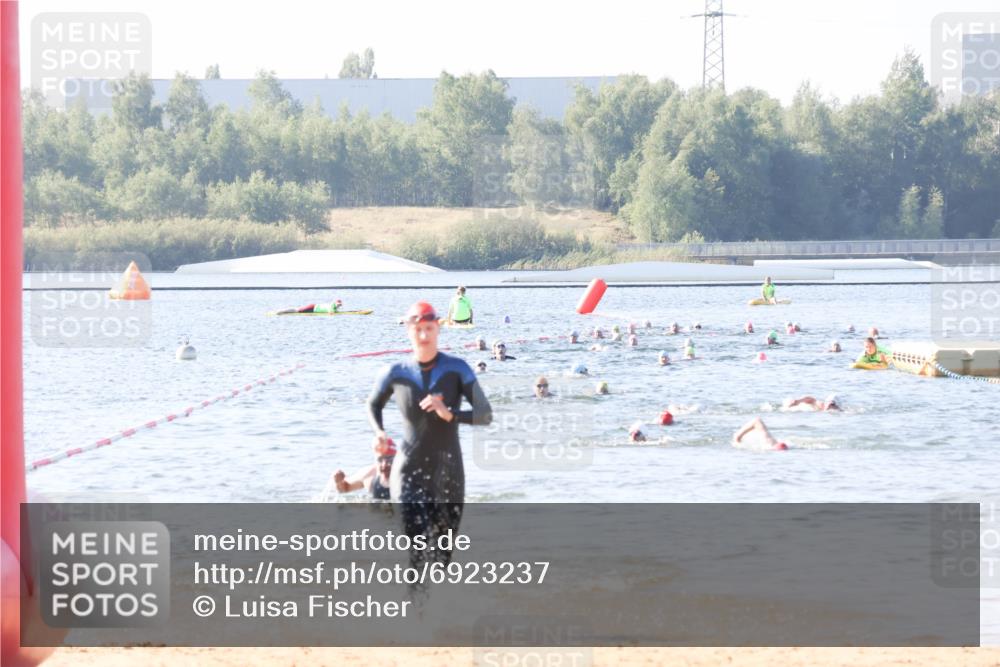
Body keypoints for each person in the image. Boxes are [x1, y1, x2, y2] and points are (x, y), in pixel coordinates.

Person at [367, 301, 493, 586]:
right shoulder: (394, 372)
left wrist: (450, 413)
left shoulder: (457, 369)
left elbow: (485, 414)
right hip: (408, 469)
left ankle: (436, 617)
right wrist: (379, 432)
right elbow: (373, 405)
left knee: (443, 557)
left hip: (448, 472)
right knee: (417, 542)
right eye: (418, 329)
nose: (424, 336)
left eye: (429, 329)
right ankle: (414, 618)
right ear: (409, 331)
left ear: (438, 329)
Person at [331, 437, 396, 500]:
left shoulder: (404, 474)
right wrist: (338, 481)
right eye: (380, 459)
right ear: (375, 460)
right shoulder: (369, 474)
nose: (385, 464)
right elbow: (345, 488)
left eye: (389, 459)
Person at [276, 298, 342, 315]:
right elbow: (330, 312)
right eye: (338, 304)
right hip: (312, 307)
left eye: (340, 305)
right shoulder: (331, 306)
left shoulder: (334, 307)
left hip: (313, 309)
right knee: (297, 310)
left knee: (298, 310)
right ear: (335, 303)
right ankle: (281, 311)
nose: (339, 305)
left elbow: (334, 311)